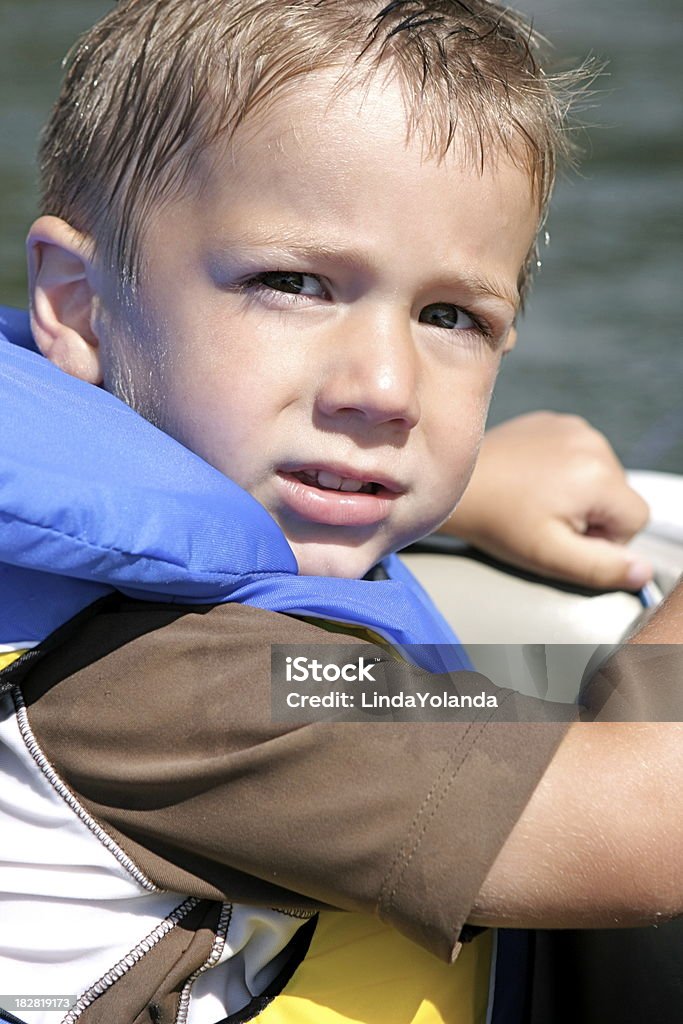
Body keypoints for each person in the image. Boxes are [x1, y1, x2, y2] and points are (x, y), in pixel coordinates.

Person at [0, 1, 680, 1022]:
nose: (384, 388)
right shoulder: (169, 684)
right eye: (295, 284)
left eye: (449, 315)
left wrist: (473, 484)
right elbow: (644, 827)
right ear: (80, 303)